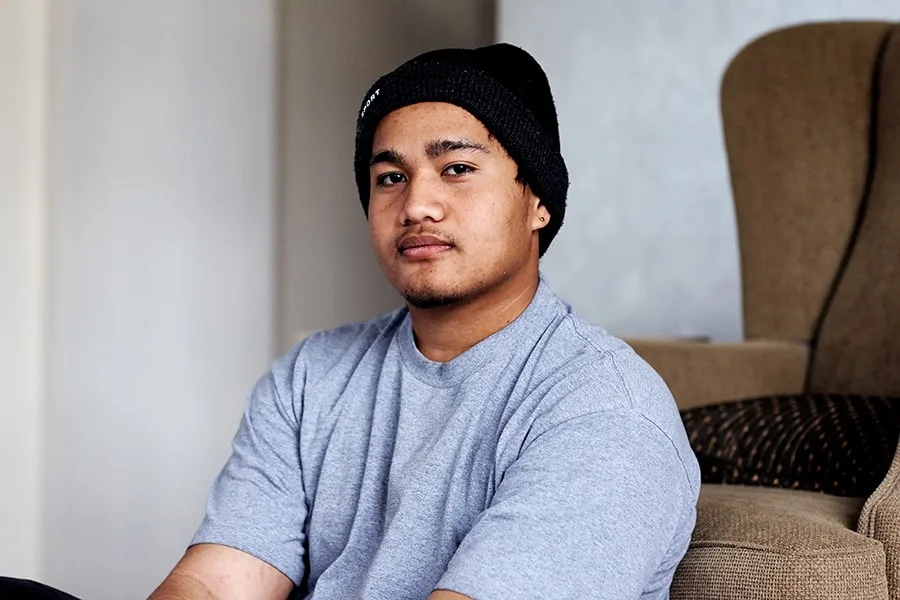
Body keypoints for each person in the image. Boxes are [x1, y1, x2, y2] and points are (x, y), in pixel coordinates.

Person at [2, 43, 700, 600]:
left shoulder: (605, 411)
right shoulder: (313, 376)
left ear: (538, 202)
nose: (417, 204)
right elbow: (219, 582)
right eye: (389, 177)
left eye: (456, 168)